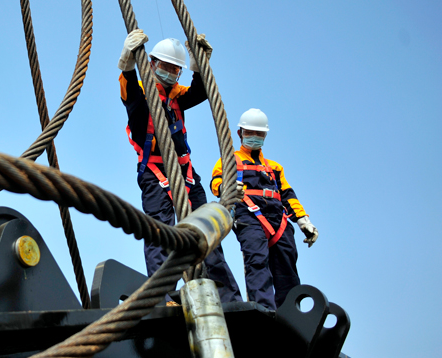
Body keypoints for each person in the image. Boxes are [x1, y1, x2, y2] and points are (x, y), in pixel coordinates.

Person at [117, 29, 242, 303]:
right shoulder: (139, 94)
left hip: (186, 173)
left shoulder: (176, 96)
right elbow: (126, 86)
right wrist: (126, 61)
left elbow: (202, 91)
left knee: (208, 232)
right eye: (167, 67)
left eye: (177, 69)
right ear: (152, 64)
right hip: (155, 172)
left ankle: (228, 299)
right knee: (160, 233)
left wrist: (199, 65)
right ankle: (162, 298)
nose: (172, 73)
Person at [210, 108, 319, 310]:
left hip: (279, 219)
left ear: (265, 135)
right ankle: (264, 310)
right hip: (248, 215)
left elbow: (287, 194)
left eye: (259, 133)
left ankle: (290, 314)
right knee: (257, 262)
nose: (255, 137)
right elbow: (216, 183)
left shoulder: (274, 168)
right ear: (240, 133)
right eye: (250, 132)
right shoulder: (230, 160)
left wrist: (303, 220)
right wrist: (226, 187)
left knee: (287, 266)